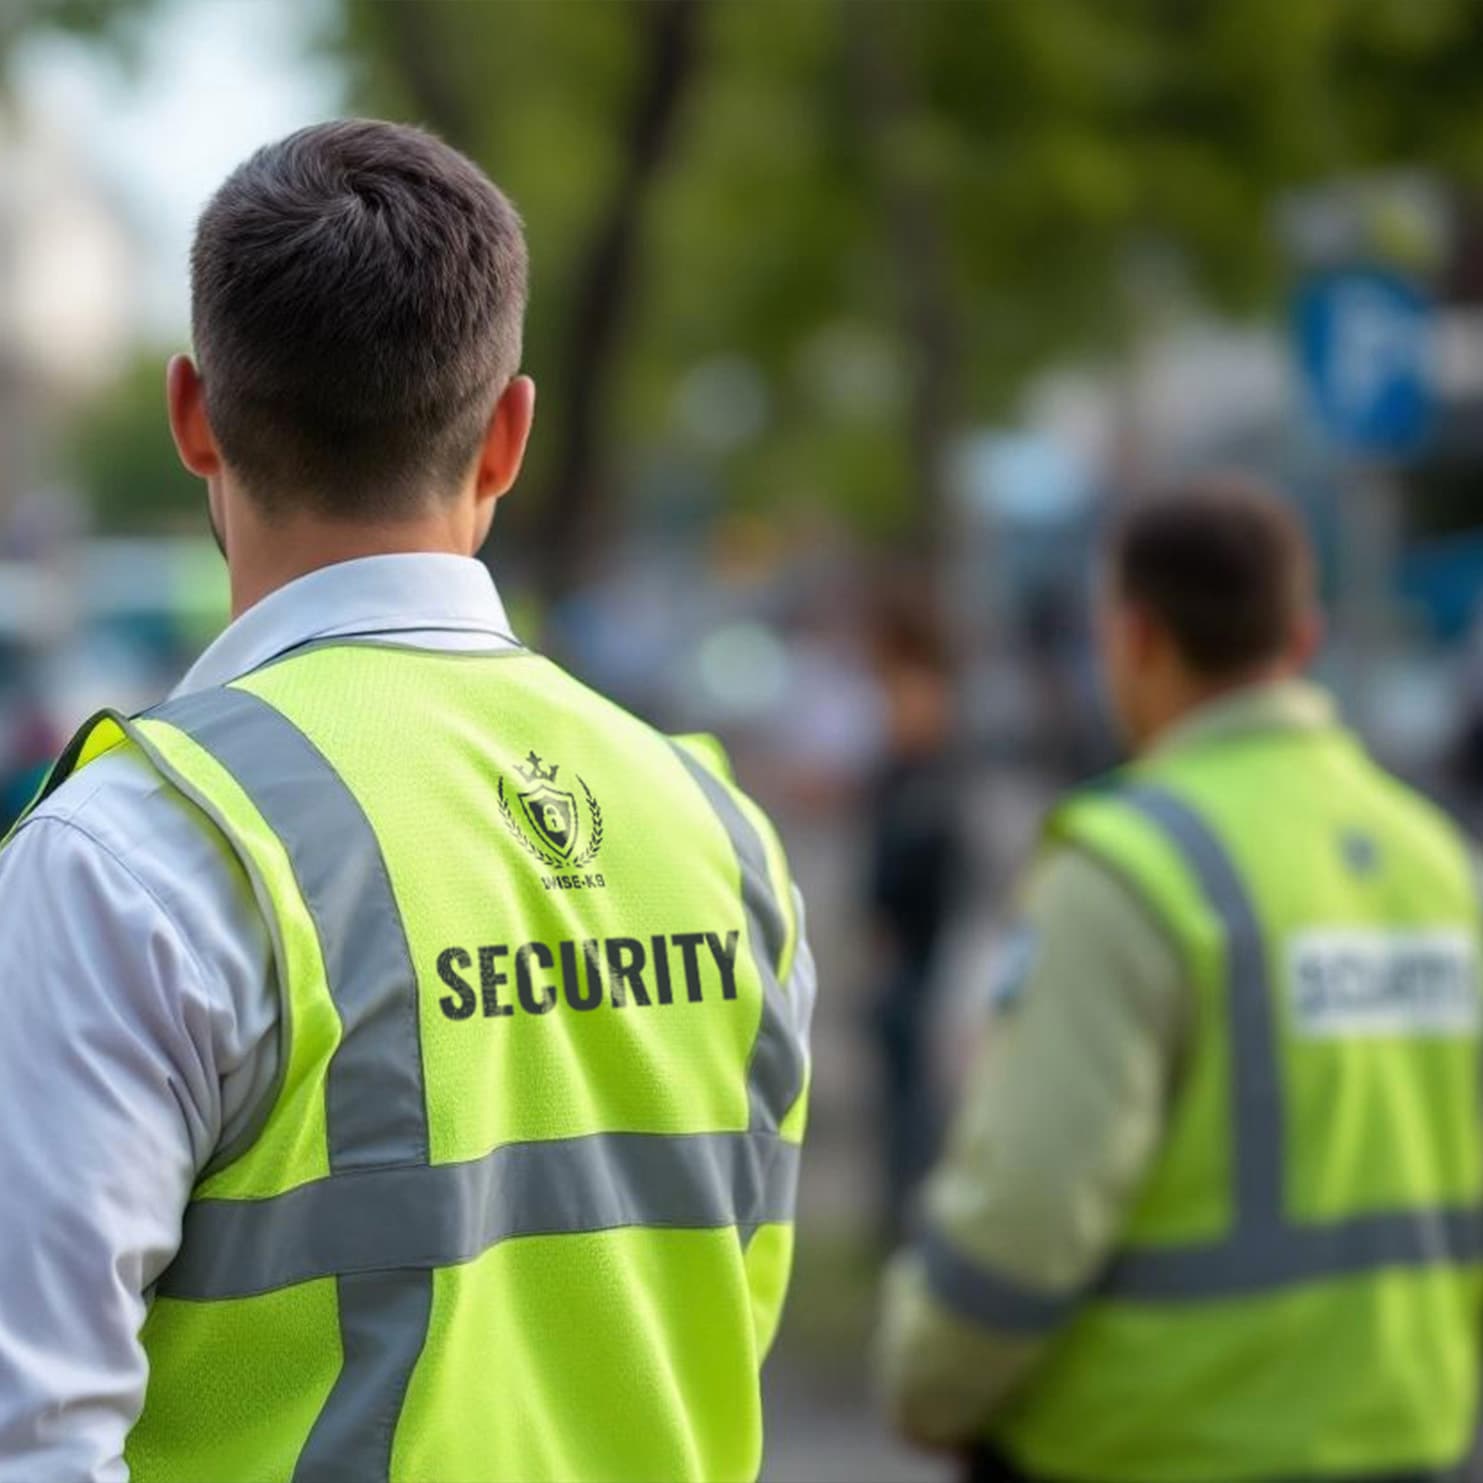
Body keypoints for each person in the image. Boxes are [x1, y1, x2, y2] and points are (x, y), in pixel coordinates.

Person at [0, 120, 815, 1483]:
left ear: (194, 415)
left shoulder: (130, 858)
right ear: (506, 434)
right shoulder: (716, 835)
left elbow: (33, 1430)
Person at [877, 477, 1483, 1482]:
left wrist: (924, 1382)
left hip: (1153, 1447)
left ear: (1135, 638)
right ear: (1303, 638)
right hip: (1408, 1441)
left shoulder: (1127, 870)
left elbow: (1027, 1210)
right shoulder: (1436, 861)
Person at [864, 592, 961, 1246]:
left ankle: (902, 1215)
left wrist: (885, 920)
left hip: (911, 932)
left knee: (906, 1084)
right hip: (914, 926)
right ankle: (897, 1210)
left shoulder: (920, 709)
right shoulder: (932, 713)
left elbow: (908, 844)